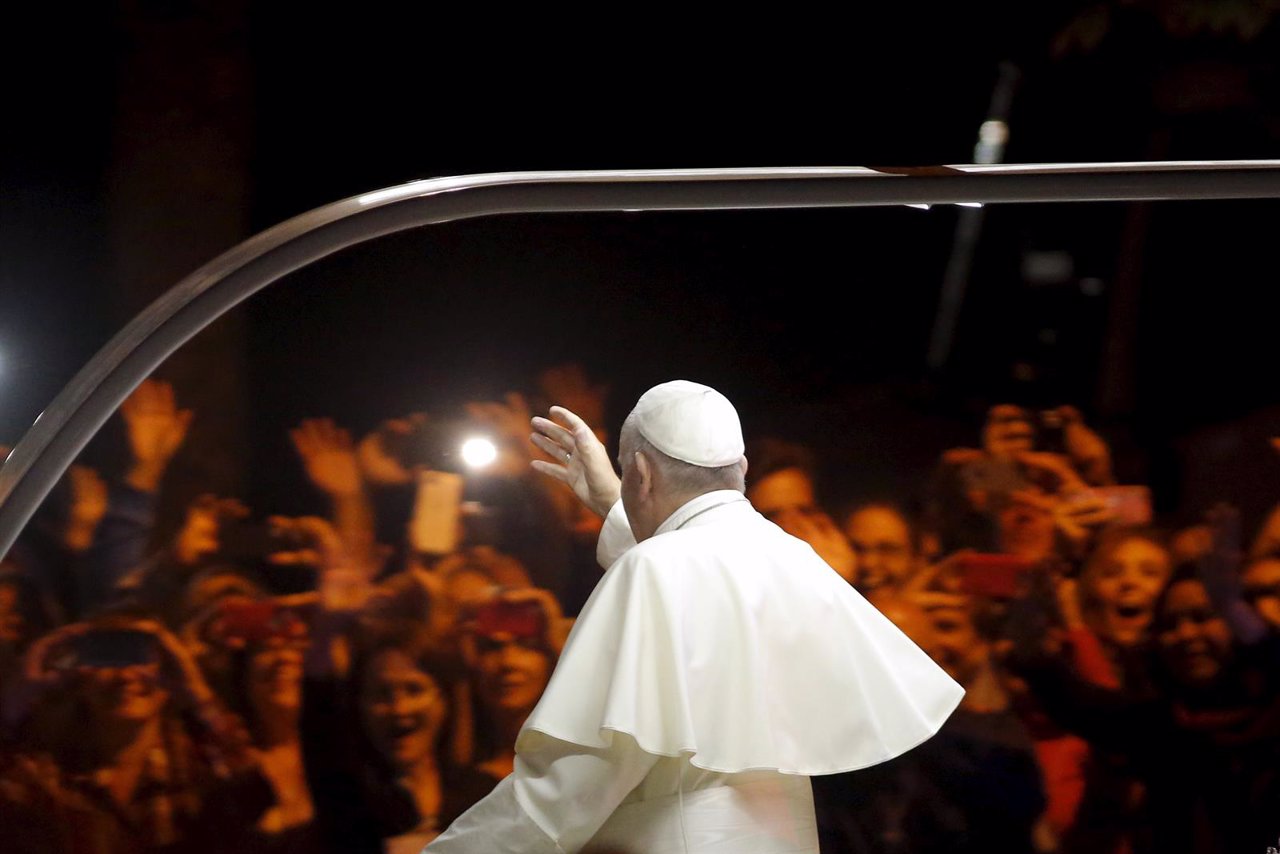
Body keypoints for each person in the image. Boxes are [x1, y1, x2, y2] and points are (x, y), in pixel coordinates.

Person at [427, 380, 964, 853]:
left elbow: (560, 797)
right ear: (742, 470)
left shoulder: (655, 569)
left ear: (638, 469)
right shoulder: (791, 557)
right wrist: (618, 504)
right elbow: (695, 565)